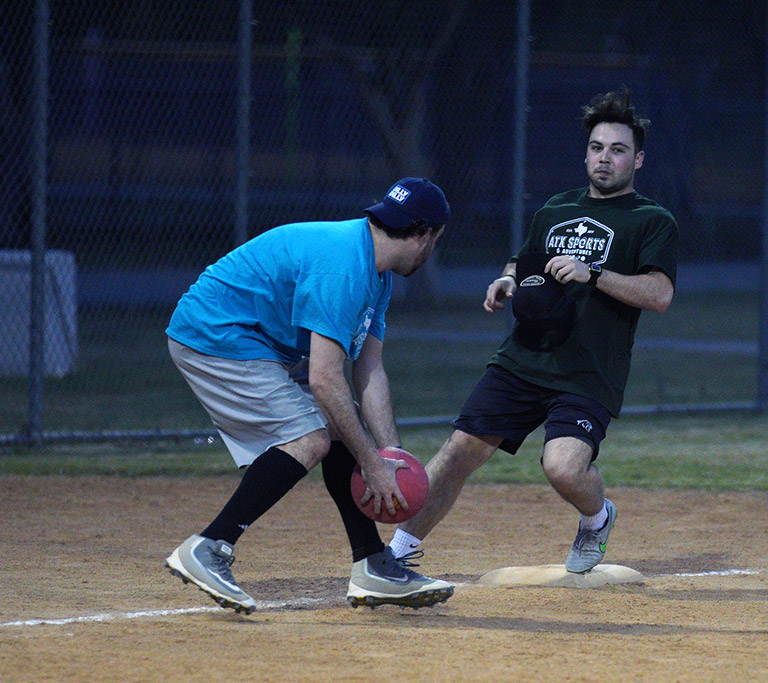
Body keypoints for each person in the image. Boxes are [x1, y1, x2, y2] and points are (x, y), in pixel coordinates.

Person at [387, 90, 679, 574]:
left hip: (588, 370)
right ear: (586, 153)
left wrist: (595, 274)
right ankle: (397, 551)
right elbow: (523, 265)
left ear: (639, 159)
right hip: (523, 358)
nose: (605, 158)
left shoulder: (652, 221)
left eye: (618, 149)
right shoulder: (554, 210)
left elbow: (660, 294)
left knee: (562, 468)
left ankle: (597, 517)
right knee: (460, 449)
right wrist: (507, 280)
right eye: (597, 147)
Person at [163, 177, 455, 613]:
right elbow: (323, 377)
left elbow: (369, 367)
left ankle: (373, 565)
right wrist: (370, 464)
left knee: (341, 426)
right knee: (312, 437)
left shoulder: (376, 274)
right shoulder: (344, 266)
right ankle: (210, 546)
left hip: (256, 342)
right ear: (427, 235)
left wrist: (388, 452)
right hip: (215, 335)